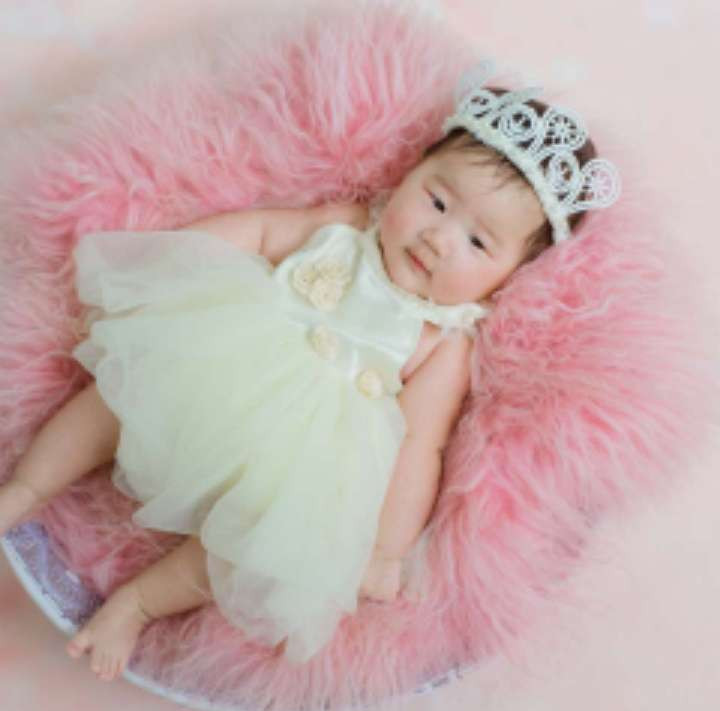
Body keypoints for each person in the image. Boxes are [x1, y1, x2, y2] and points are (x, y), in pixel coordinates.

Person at [0, 65, 620, 679]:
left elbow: (419, 446)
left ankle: (137, 604)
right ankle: (25, 490)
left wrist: (385, 550)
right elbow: (260, 231)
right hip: (220, 364)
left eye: (478, 243)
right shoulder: (345, 227)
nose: (438, 237)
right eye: (436, 200)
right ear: (410, 173)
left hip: (301, 461)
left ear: (506, 279)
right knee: (120, 396)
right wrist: (169, 263)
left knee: (256, 546)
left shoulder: (442, 340)